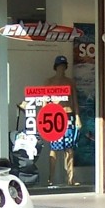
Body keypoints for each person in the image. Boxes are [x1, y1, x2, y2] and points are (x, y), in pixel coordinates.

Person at [42, 54, 78, 186]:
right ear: (56, 67)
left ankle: (71, 178)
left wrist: (77, 117)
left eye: (64, 66)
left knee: (69, 148)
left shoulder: (69, 82)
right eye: (59, 66)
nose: (62, 68)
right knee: (54, 148)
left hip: (68, 116)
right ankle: (50, 178)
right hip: (53, 118)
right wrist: (43, 119)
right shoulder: (49, 82)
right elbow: (45, 101)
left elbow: (74, 101)